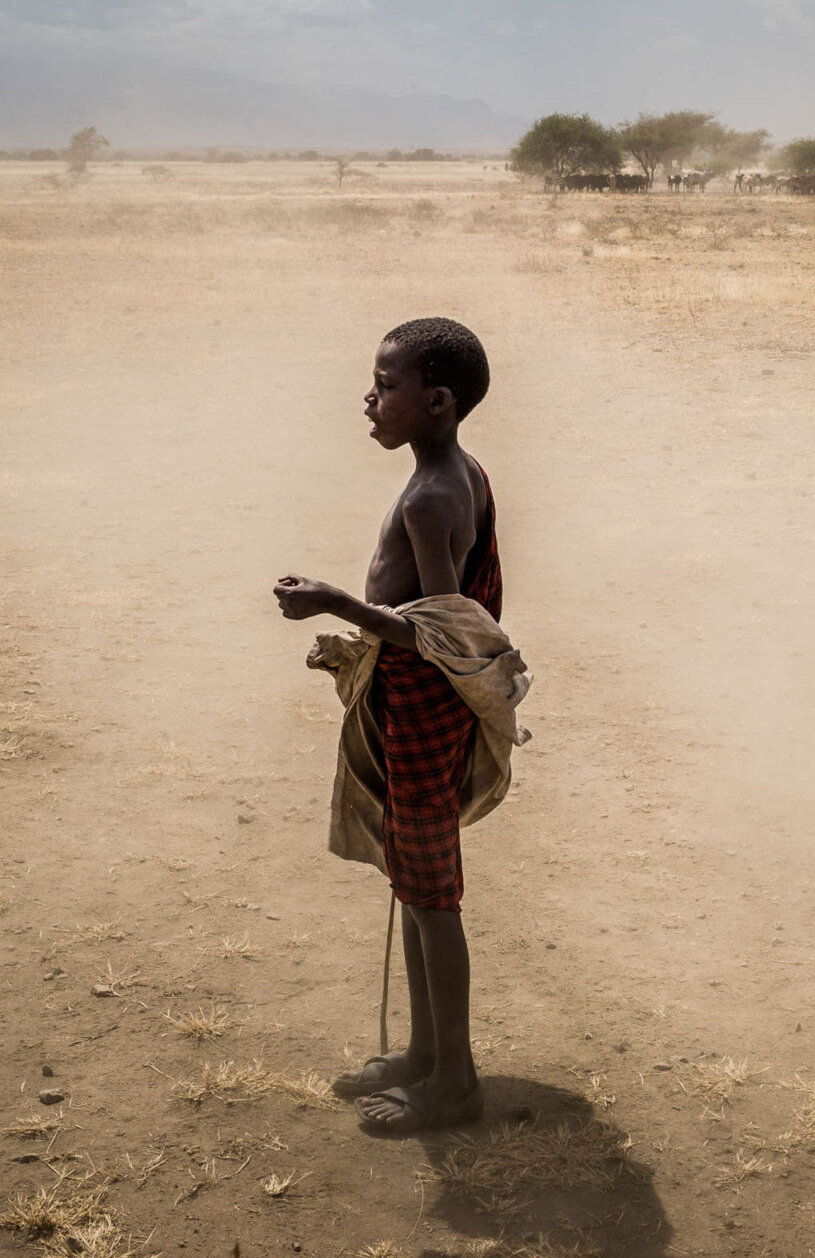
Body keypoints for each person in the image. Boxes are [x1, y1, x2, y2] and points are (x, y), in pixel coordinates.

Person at [272, 317, 500, 1134]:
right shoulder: (448, 473)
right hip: (406, 703)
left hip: (423, 708)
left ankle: (455, 1080)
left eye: (386, 384)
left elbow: (438, 631)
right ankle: (423, 1054)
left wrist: (335, 603)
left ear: (437, 402)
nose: (369, 398)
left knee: (431, 895)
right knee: (413, 881)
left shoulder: (437, 494)